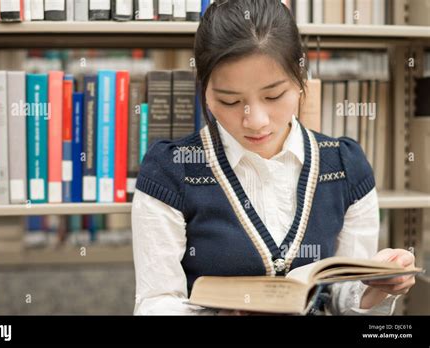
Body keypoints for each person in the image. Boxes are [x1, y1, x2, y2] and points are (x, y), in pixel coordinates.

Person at [131, 0, 416, 315]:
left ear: (300, 79)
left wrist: (373, 288)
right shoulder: (171, 171)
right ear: (206, 91)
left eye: (273, 96)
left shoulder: (345, 167)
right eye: (230, 100)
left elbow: (341, 298)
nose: (256, 121)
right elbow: (155, 302)